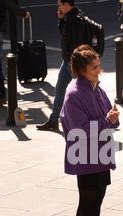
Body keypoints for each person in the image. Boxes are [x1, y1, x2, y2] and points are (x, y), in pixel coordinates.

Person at [60, 45, 120, 216]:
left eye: (98, 65)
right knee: (87, 203)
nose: (99, 70)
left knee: (97, 202)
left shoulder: (96, 87)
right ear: (81, 69)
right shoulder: (74, 93)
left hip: (100, 153)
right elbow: (79, 130)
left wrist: (113, 117)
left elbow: (108, 115)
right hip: (85, 156)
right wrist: (108, 120)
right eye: (94, 67)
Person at [37, 0, 87, 131]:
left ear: (66, 4)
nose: (58, 7)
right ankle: (54, 120)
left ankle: (91, 118)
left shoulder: (75, 20)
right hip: (67, 61)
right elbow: (64, 35)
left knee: (83, 91)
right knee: (59, 89)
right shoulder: (68, 18)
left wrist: (72, 60)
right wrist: (60, 20)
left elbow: (78, 43)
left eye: (60, 5)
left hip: (72, 62)